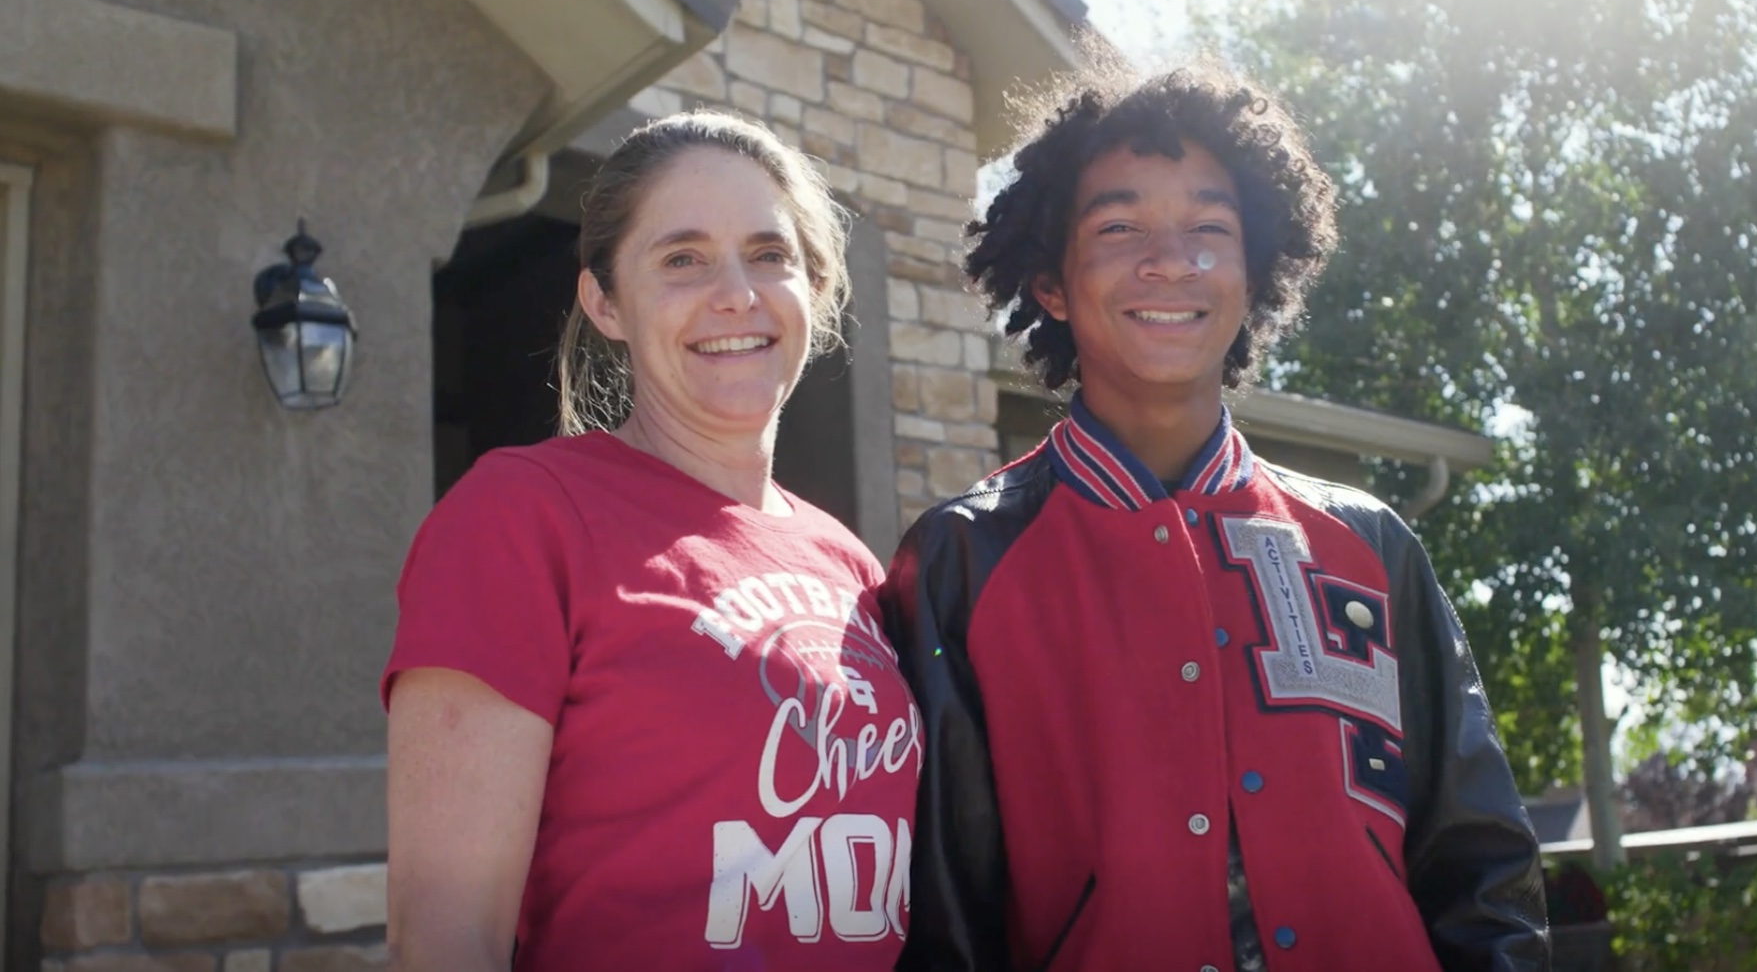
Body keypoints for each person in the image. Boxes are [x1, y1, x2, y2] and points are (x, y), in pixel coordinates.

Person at [883, 61, 1549, 972]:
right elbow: (948, 918)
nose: (1171, 259)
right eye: (1119, 226)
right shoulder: (962, 558)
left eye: (1209, 227)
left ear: (1254, 268)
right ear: (1049, 282)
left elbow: (1480, 866)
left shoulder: (1371, 545)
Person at [383, 112, 921, 971]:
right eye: (682, 259)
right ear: (605, 302)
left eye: (769, 253)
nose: (736, 292)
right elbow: (445, 936)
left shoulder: (848, 561)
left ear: (814, 290)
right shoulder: (522, 516)